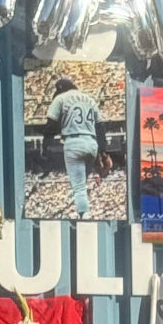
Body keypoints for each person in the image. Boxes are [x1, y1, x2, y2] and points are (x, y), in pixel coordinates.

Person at [44, 75, 102, 218]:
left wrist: (45, 147)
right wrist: (103, 151)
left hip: (74, 143)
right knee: (82, 182)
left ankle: (84, 215)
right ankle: (84, 207)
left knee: (79, 187)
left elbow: (51, 126)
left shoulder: (60, 99)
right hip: (92, 143)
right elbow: (101, 126)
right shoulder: (89, 99)